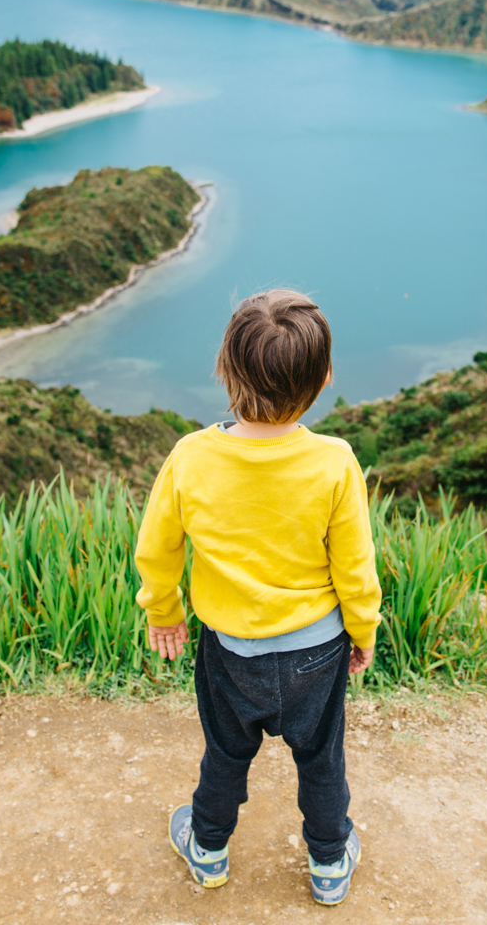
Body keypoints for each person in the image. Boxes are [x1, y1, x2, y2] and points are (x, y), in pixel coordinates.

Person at [135, 288, 382, 907]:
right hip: (317, 650)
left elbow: (157, 550)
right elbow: (355, 567)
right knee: (321, 758)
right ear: (324, 380)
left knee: (226, 753)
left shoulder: (191, 458)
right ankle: (329, 864)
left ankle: (209, 850)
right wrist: (364, 630)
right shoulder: (334, 461)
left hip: (231, 652)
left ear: (225, 367)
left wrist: (164, 613)